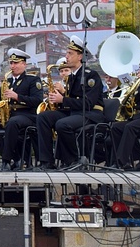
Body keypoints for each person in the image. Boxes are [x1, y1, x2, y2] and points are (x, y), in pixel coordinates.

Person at [37, 36, 105, 170]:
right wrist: (58, 100)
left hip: (90, 114)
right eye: (67, 53)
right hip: (74, 112)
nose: (66, 56)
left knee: (62, 124)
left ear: (80, 57)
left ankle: (74, 160)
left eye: (70, 54)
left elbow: (88, 103)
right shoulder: (72, 77)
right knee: (43, 117)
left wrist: (63, 99)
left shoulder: (91, 75)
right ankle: (46, 161)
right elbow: (71, 101)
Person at [0, 51, 42, 171]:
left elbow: (37, 100)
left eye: (16, 63)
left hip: (27, 115)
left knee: (12, 123)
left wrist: (17, 96)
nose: (12, 66)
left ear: (24, 64)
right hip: (9, 115)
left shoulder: (33, 80)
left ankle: (6, 160)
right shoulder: (7, 82)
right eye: (11, 63)